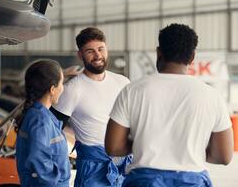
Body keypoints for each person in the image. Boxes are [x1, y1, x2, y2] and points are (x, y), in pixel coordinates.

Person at [105, 23, 234, 187]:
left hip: (144, 181)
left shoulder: (133, 90)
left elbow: (113, 147)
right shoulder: (211, 95)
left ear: (159, 52)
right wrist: (192, 148)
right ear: (192, 57)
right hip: (192, 181)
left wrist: (143, 142)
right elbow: (224, 156)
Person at [51, 27, 132, 187]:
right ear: (80, 55)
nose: (97, 56)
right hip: (93, 169)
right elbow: (52, 130)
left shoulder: (123, 82)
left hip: (125, 166)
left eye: (101, 49)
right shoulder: (73, 89)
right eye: (90, 51)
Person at [15, 59, 70, 187]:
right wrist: (54, 181)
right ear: (52, 89)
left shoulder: (39, 115)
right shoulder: (40, 120)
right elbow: (38, 158)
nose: (63, 88)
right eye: (62, 83)